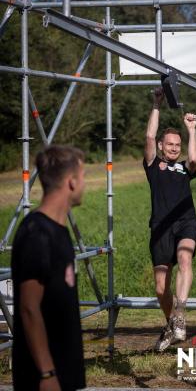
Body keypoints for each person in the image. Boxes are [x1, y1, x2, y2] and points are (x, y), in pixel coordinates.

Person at [11, 145, 86, 391]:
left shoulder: (60, 231)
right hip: (44, 378)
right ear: (71, 182)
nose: (85, 184)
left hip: (64, 371)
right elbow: (28, 308)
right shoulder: (37, 233)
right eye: (83, 176)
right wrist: (47, 373)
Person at [143, 88, 196, 352]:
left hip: (186, 221)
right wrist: (157, 103)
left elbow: (195, 158)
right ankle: (170, 324)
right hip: (160, 227)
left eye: (178, 145)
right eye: (171, 145)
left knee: (185, 258)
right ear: (162, 147)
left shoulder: (185, 169)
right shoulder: (153, 165)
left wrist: (191, 129)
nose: (175, 148)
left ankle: (180, 314)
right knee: (160, 287)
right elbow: (149, 135)